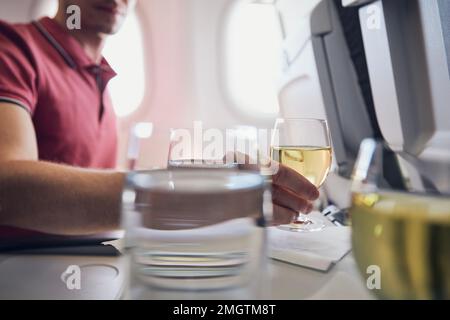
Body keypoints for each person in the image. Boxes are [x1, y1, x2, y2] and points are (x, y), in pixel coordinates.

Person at [0, 0, 319, 236]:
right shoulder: (12, 48)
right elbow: (7, 188)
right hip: (29, 267)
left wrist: (199, 181)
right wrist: (188, 194)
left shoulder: (102, 78)